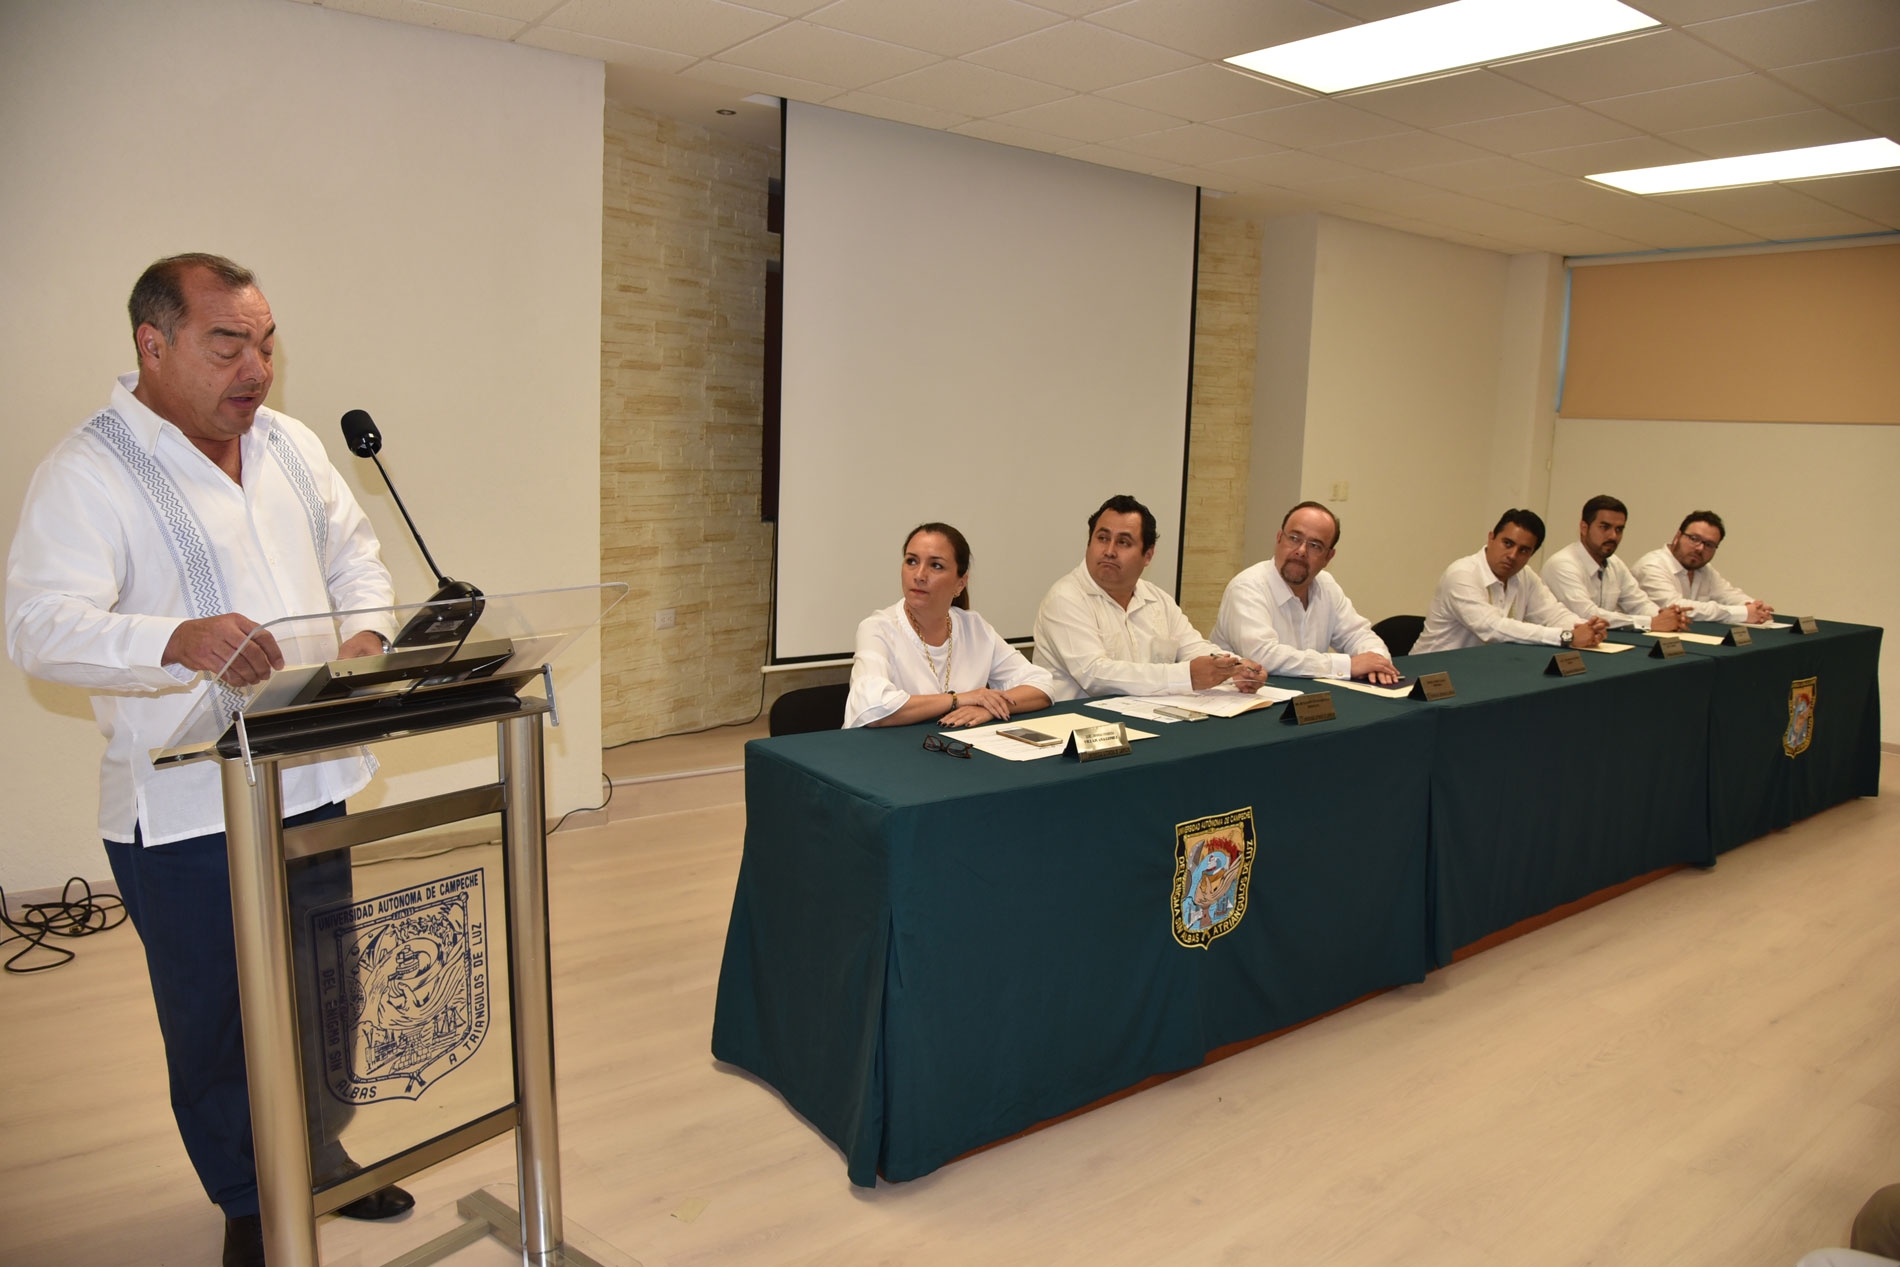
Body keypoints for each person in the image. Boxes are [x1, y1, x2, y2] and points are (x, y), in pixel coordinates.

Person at [4, 254, 410, 1267]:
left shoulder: (292, 446)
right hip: (185, 809)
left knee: (326, 990)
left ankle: (317, 1154)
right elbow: (37, 626)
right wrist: (173, 638)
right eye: (227, 343)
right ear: (154, 345)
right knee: (216, 1019)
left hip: (310, 775)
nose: (256, 367)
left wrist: (365, 637)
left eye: (265, 341)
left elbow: (357, 558)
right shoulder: (88, 470)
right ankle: (247, 1195)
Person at [1033, 494, 1262, 701]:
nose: (1109, 551)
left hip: (1145, 716)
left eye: (1123, 542)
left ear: (1148, 555)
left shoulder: (1157, 599)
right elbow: (1094, 675)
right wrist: (1186, 676)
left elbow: (1193, 648)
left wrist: (1236, 667)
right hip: (1081, 725)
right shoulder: (1065, 598)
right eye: (1102, 538)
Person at [845, 522, 1055, 729]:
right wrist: (959, 699)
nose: (919, 575)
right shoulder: (877, 628)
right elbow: (871, 708)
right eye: (911, 561)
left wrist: (989, 708)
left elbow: (1041, 685)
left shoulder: (974, 627)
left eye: (936, 565)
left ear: (960, 583)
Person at [1211, 500, 1398, 685]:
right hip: (1245, 698)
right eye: (1294, 538)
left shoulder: (1326, 585)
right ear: (1279, 539)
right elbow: (1263, 655)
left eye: (1315, 545)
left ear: (1328, 557)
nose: (1301, 551)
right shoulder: (1247, 587)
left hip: (1308, 698)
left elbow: (1358, 635)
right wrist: (1346, 665)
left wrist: (1377, 661)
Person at [1412, 508, 1609, 655]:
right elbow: (1492, 628)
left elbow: (1552, 614)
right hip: (1432, 675)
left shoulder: (1525, 576)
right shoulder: (1462, 574)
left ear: (1532, 554)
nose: (1513, 555)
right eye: (1507, 543)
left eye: (1523, 550)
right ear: (1491, 538)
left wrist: (1586, 628)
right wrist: (1567, 637)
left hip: (1482, 669)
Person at [1541, 494, 1691, 633]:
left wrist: (1665, 616)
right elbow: (1587, 615)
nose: (1613, 536)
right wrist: (1649, 623)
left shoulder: (1615, 563)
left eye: (1619, 529)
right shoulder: (1562, 564)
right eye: (1604, 527)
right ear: (1584, 528)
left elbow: (1639, 603)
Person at [1631, 510, 1774, 625]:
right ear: (1677, 536)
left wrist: (1755, 607)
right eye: (1694, 539)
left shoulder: (1703, 569)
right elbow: (1677, 607)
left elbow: (1728, 594)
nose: (1700, 548)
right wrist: (1743, 612)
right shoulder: (1651, 566)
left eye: (1709, 545)